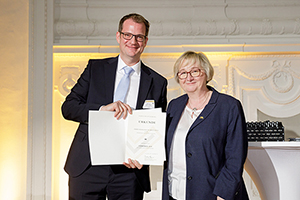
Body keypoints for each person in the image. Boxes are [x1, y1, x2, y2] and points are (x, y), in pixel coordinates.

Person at [62, 13, 168, 200]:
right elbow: (68, 107)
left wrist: (144, 155)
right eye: (127, 35)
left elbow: (156, 130)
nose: (133, 41)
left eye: (139, 36)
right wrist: (101, 110)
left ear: (145, 41)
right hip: (88, 165)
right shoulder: (95, 69)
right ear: (118, 36)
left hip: (130, 172)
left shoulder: (158, 82)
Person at [162, 51, 249, 200]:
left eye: (195, 71)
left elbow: (235, 157)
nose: (188, 77)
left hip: (212, 194)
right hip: (174, 192)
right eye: (183, 73)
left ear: (207, 73)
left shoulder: (228, 106)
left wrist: (223, 194)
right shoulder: (174, 106)